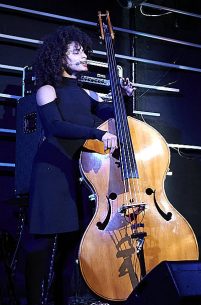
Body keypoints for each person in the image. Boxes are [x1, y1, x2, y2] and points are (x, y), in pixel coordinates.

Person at [26, 25, 134, 305]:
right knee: (45, 244)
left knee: (69, 245)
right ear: (59, 58)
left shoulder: (92, 96)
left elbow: (118, 122)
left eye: (85, 51)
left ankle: (61, 300)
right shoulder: (47, 90)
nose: (84, 56)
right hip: (50, 173)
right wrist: (98, 135)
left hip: (76, 175)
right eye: (77, 51)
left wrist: (125, 98)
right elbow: (56, 127)